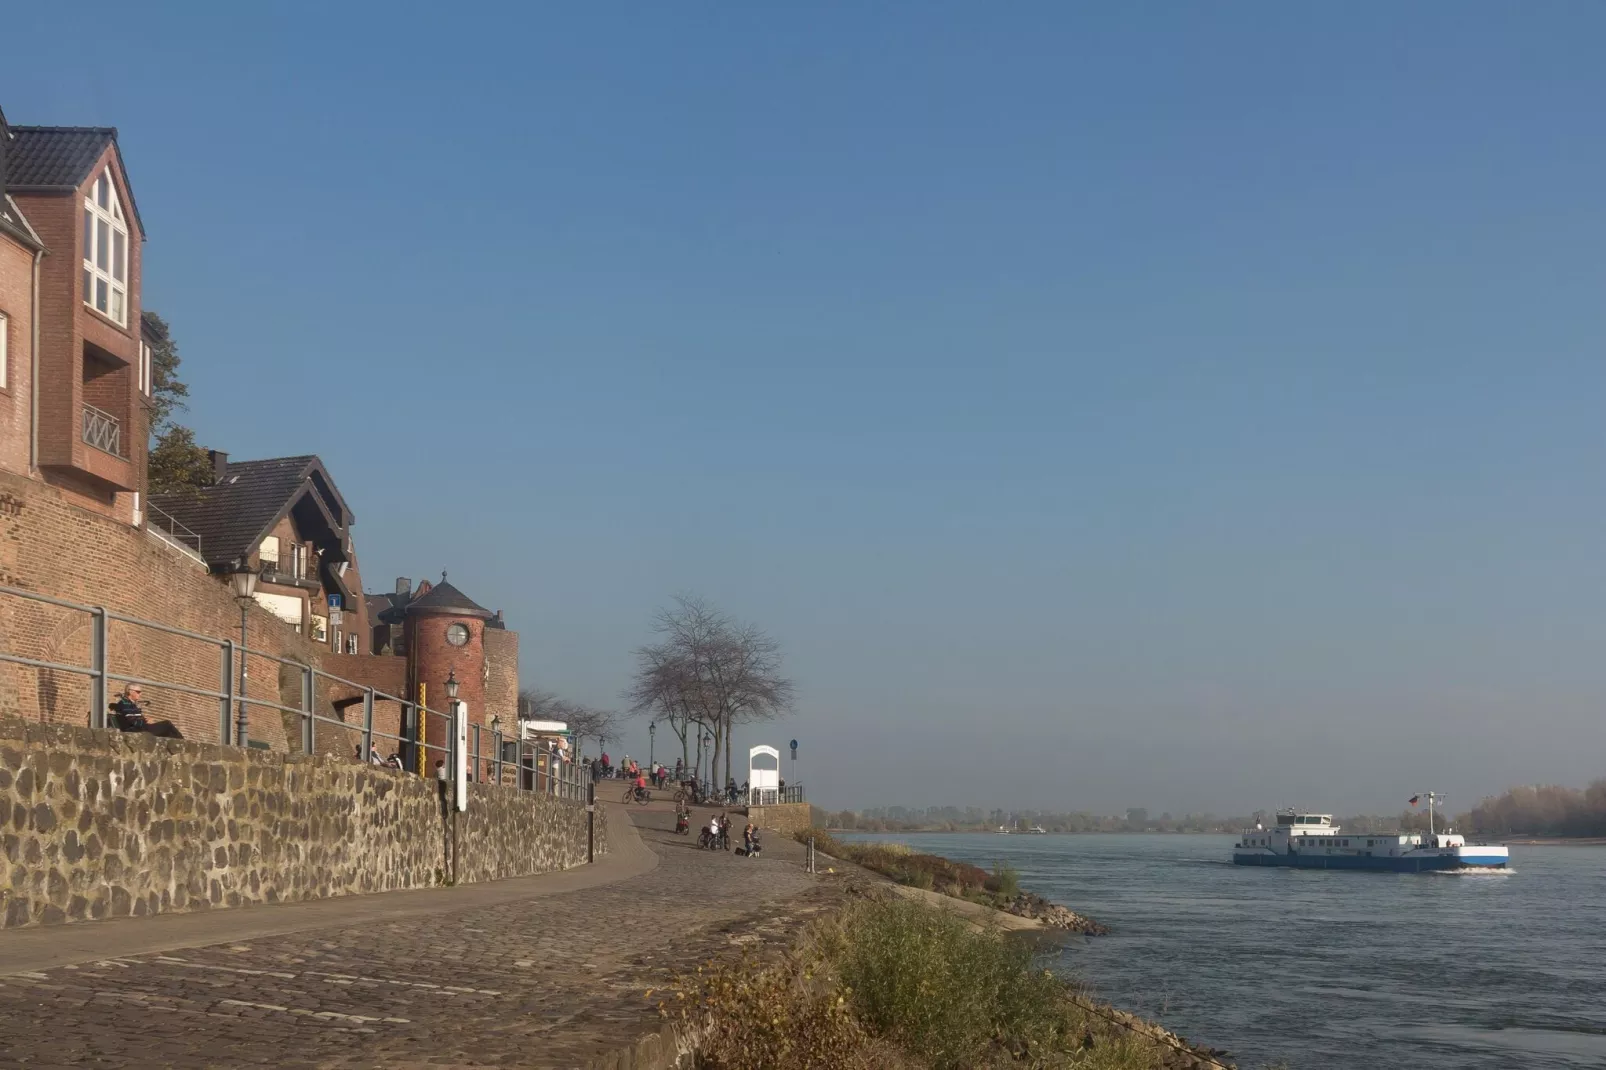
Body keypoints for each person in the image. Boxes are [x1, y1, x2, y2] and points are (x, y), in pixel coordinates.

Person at [107, 685, 182, 737]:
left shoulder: (128, 703)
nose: (140, 694)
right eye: (138, 692)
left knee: (168, 731)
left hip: (139, 729)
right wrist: (145, 721)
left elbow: (133, 718)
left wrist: (144, 720)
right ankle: (185, 745)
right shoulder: (125, 703)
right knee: (167, 724)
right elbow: (132, 721)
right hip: (136, 731)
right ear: (130, 692)